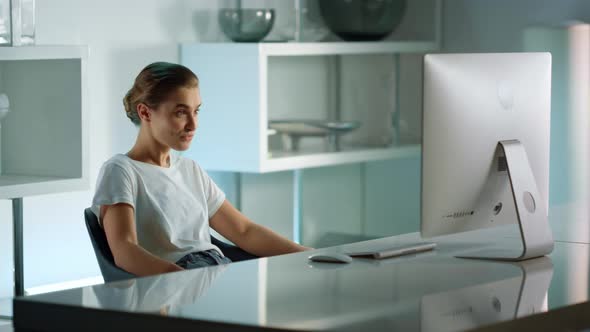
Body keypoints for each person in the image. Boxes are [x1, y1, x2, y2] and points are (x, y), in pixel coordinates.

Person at [91, 62, 310, 277]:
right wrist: (182, 283)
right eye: (180, 113)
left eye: (196, 111)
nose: (193, 125)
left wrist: (308, 254)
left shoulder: (190, 169)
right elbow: (125, 251)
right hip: (181, 278)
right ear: (145, 113)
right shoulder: (121, 171)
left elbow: (244, 231)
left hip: (217, 268)